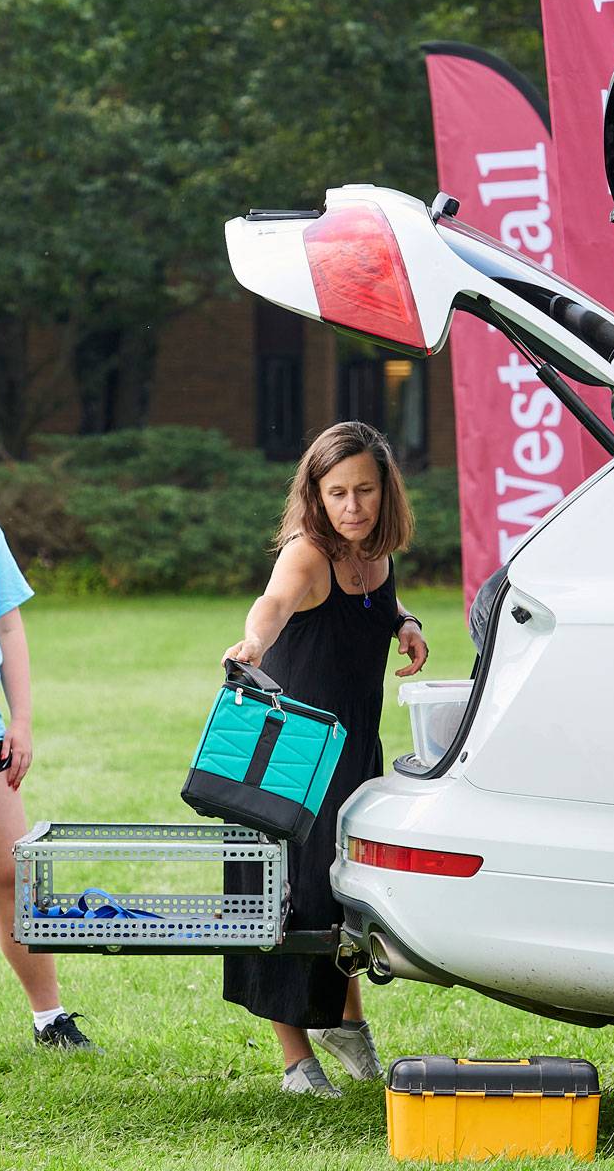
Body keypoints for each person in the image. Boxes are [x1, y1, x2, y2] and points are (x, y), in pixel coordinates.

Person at [222, 421, 430, 1097]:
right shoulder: (307, 553)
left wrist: (405, 623)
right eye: (336, 492)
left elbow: (376, 602)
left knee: (344, 894)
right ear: (314, 493)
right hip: (290, 755)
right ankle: (294, 1062)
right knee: (289, 899)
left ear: (384, 490)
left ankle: (343, 1023)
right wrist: (254, 642)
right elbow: (274, 603)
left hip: (351, 752)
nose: (351, 507)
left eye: (364, 490)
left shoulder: (375, 555)